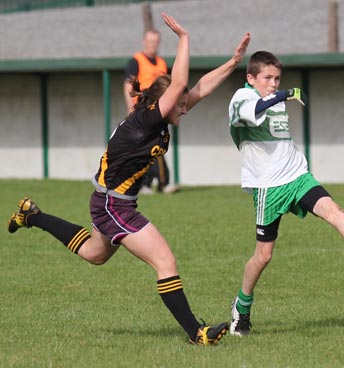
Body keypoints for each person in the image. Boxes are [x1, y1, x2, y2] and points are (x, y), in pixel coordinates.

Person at [8, 13, 251, 345]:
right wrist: (184, 38)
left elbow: (198, 88)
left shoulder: (156, 119)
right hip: (113, 205)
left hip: (111, 202)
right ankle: (196, 333)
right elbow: (180, 85)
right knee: (165, 260)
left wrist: (234, 62)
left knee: (96, 253)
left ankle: (33, 216)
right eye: (180, 106)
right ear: (164, 104)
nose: (185, 108)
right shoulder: (145, 122)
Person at [227, 51, 344, 337]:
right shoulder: (241, 98)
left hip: (297, 176)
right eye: (267, 78)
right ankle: (242, 307)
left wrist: (281, 96)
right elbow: (255, 109)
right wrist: (283, 94)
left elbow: (273, 108)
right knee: (263, 256)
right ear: (251, 78)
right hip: (268, 188)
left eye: (277, 79)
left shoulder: (275, 98)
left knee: (334, 211)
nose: (273, 83)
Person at [124, 27, 175, 195]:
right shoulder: (136, 61)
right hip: (142, 110)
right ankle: (160, 183)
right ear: (144, 42)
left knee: (153, 145)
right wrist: (131, 108)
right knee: (148, 145)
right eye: (150, 41)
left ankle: (148, 183)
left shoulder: (161, 63)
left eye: (155, 42)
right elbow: (128, 85)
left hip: (159, 109)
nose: (153, 45)